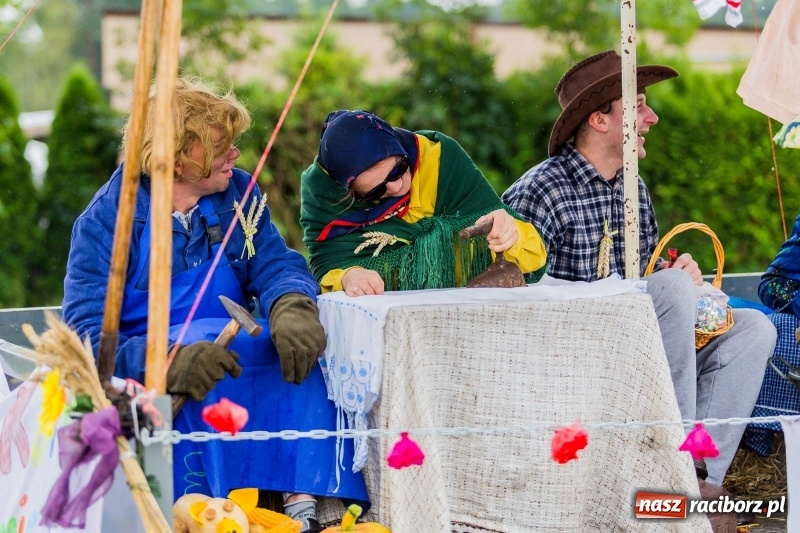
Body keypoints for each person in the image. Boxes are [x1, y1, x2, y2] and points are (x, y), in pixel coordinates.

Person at [62, 76, 368, 532]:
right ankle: (210, 513)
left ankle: (307, 509)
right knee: (192, 382)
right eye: (220, 145)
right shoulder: (109, 219)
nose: (236, 155)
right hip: (157, 374)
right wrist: (162, 363)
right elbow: (84, 332)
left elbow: (275, 262)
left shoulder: (238, 193)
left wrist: (291, 302)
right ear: (178, 153)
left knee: (291, 356)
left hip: (229, 347)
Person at [502, 50, 777, 486]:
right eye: (639, 105)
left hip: (635, 347)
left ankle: (701, 480)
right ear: (599, 120)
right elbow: (515, 308)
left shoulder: (634, 189)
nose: (652, 118)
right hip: (571, 358)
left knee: (754, 329)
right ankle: (669, 467)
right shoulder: (540, 191)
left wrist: (681, 278)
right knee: (669, 289)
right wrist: (665, 288)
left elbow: (647, 280)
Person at [299, 110, 547, 295]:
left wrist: (509, 234)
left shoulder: (440, 159)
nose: (396, 187)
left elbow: (534, 256)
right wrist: (349, 276)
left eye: (399, 170)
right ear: (350, 193)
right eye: (375, 191)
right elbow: (325, 268)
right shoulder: (325, 201)